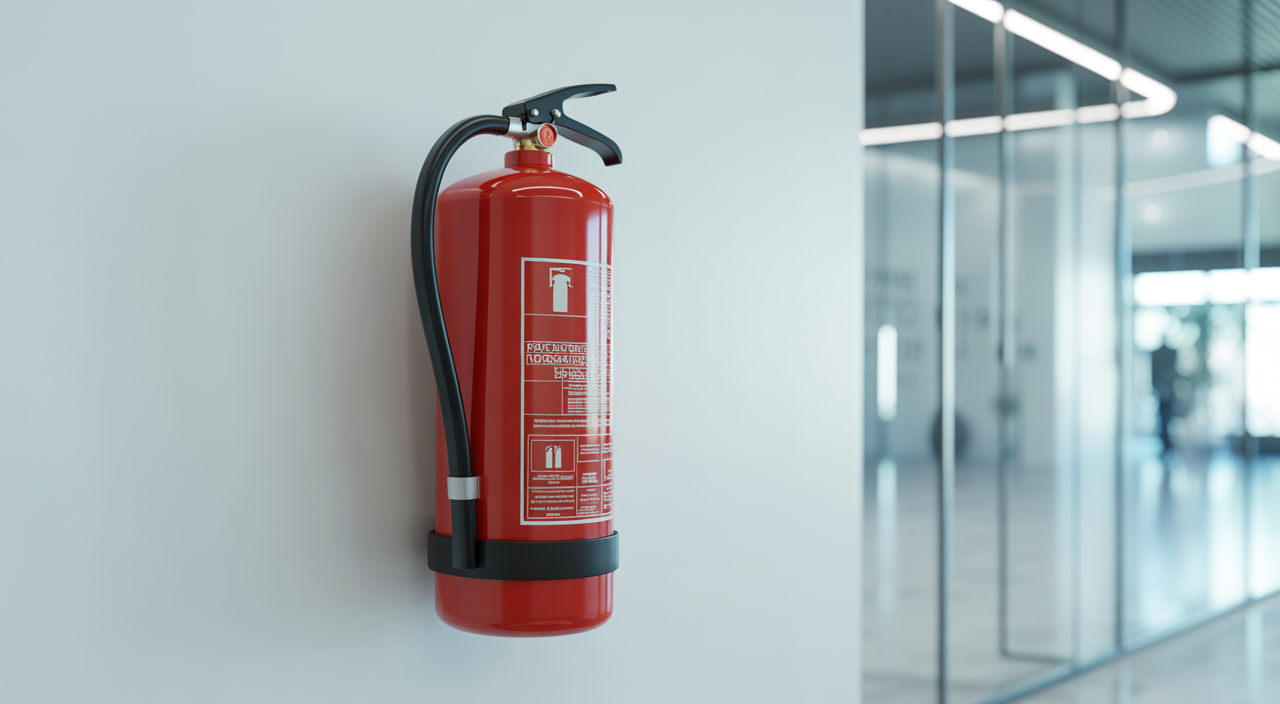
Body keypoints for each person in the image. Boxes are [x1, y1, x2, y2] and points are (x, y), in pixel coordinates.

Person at [1151, 340, 1179, 452]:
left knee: (1166, 418)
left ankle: (1166, 443)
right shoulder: (1158, 353)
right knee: (1163, 418)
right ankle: (1165, 443)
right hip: (1162, 389)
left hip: (1168, 389)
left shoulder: (1170, 353)